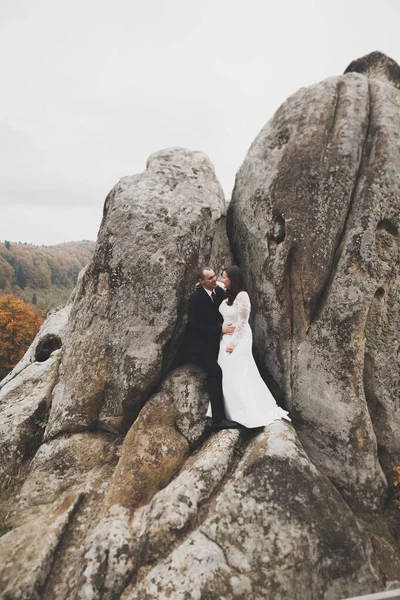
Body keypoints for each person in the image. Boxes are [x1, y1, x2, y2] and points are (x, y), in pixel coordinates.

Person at [206, 265, 291, 428]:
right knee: (226, 371)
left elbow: (243, 323)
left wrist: (233, 343)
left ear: (233, 280)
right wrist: (204, 284)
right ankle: (230, 411)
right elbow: (220, 284)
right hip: (225, 337)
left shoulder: (242, 296)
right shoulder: (228, 291)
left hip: (239, 339)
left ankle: (247, 411)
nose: (223, 280)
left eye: (225, 277)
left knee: (240, 371)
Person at [187, 267, 240, 430]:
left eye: (214, 277)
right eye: (209, 278)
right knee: (215, 373)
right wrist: (219, 330)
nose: (214, 280)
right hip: (199, 346)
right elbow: (194, 325)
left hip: (216, 343)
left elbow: (228, 289)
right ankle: (218, 420)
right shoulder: (196, 298)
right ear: (201, 281)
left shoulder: (217, 292)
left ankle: (237, 410)